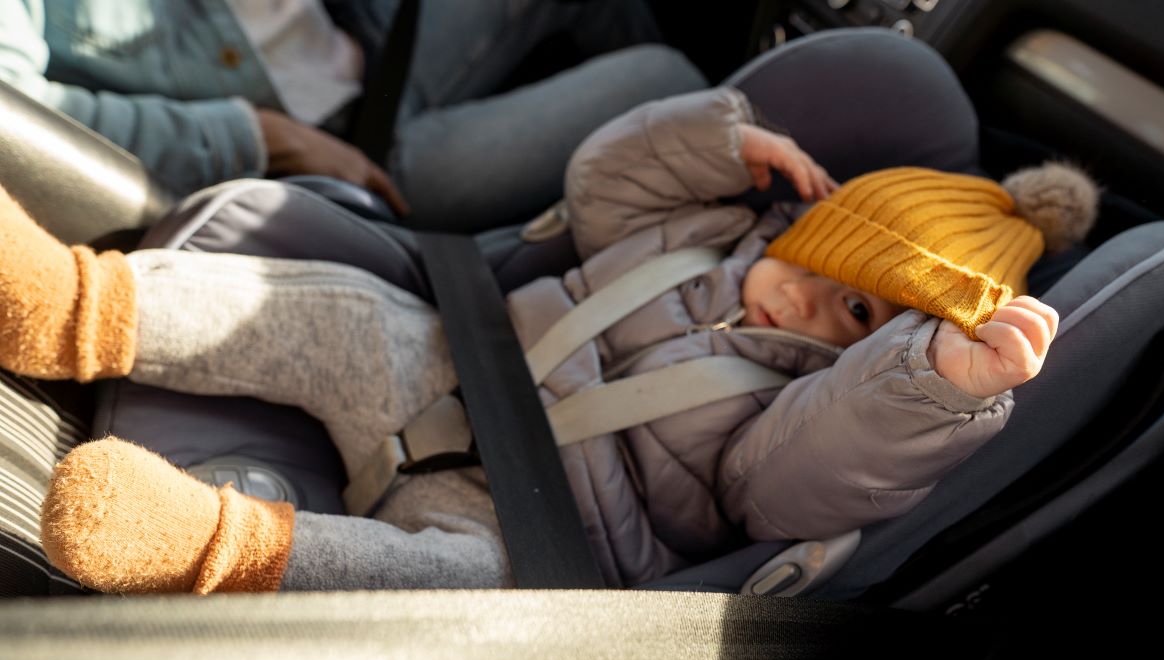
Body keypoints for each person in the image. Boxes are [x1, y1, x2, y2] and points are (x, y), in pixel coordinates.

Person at [0, 88, 1095, 595]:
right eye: (812, 260)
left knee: (454, 583)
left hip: (540, 528)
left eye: (856, 312)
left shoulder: (795, 413)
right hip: (451, 359)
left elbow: (820, 469)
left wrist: (931, 380)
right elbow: (599, 188)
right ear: (795, 219)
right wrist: (714, 140)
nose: (805, 299)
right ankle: (71, 304)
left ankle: (213, 541)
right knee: (328, 310)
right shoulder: (708, 228)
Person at [0, 0, 707, 231]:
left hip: (368, 45)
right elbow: (17, 118)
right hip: (341, 161)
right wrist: (261, 139)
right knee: (670, 83)